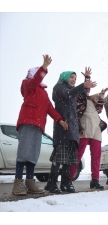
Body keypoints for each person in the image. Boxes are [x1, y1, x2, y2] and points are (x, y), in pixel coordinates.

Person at [12, 55, 68, 196]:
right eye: (37, 73)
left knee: (33, 154)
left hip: (38, 126)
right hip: (27, 123)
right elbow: (35, 80)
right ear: (32, 74)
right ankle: (17, 183)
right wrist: (44, 67)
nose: (40, 76)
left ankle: (29, 182)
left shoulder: (43, 92)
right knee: (23, 153)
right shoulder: (28, 85)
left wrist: (60, 120)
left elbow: (50, 108)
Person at [44, 69, 97, 194]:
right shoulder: (59, 87)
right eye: (72, 77)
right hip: (62, 128)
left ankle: (65, 183)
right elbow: (69, 93)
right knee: (59, 157)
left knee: (69, 159)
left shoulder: (72, 93)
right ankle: (51, 183)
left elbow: (73, 112)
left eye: (75, 78)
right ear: (65, 77)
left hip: (72, 129)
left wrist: (79, 127)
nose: (73, 80)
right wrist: (83, 85)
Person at [69, 67, 108, 190]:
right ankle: (69, 179)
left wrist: (102, 95)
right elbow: (85, 89)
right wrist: (87, 78)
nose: (97, 97)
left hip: (96, 129)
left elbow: (100, 107)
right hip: (85, 127)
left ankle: (95, 180)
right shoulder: (82, 98)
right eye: (96, 95)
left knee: (96, 156)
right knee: (78, 154)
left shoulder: (95, 104)